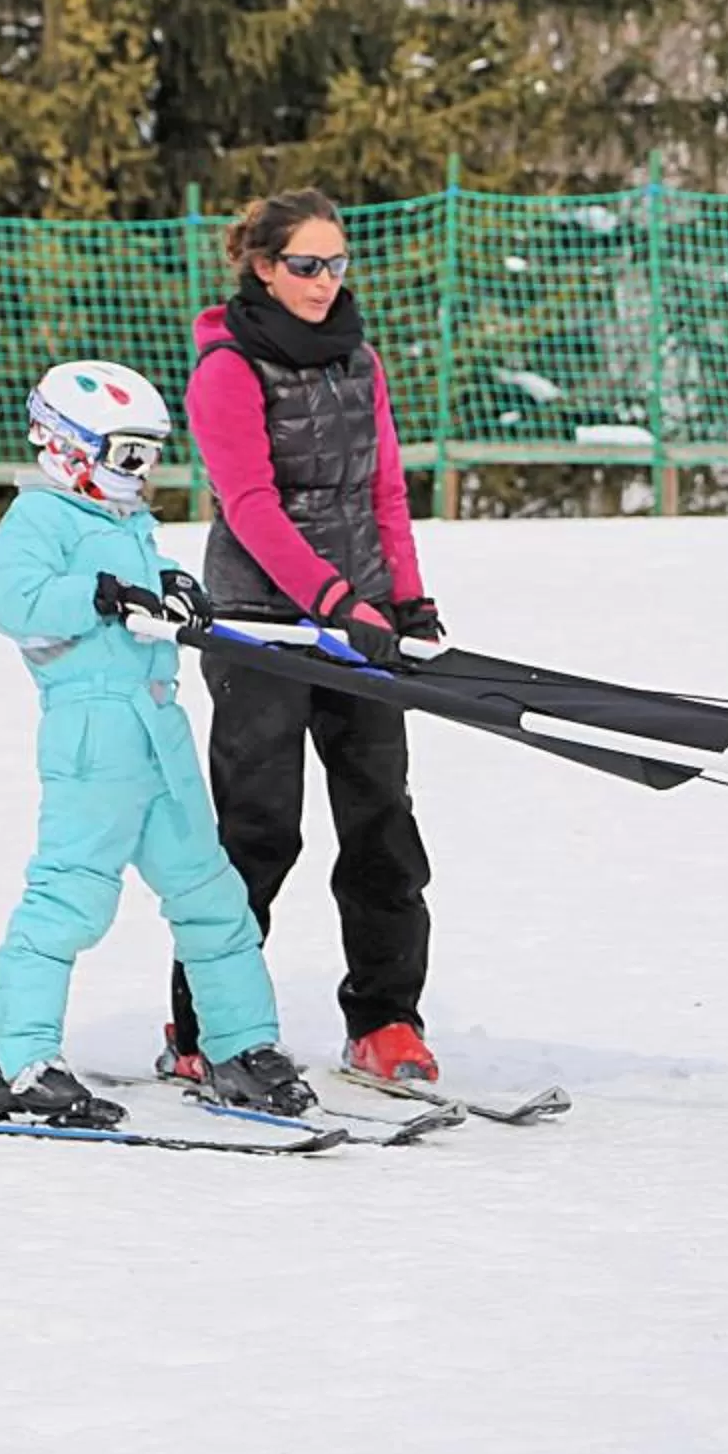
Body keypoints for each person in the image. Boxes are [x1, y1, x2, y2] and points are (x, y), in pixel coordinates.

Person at [0, 360, 316, 1126]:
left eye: (149, 456)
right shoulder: (41, 518)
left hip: (158, 729)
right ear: (66, 446)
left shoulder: (125, 523)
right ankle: (9, 1060)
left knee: (212, 897)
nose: (139, 475)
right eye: (126, 455)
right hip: (93, 730)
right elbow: (7, 595)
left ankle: (240, 1048)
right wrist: (100, 593)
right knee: (71, 898)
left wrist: (173, 583)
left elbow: (145, 577)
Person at [162, 189, 448, 1087]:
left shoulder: (360, 361)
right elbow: (249, 507)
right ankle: (205, 1030)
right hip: (261, 625)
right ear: (261, 265)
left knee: (381, 824)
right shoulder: (227, 371)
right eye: (305, 266)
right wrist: (329, 600)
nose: (324, 283)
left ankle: (386, 1023)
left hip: (358, 625)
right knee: (258, 832)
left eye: (336, 264)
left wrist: (403, 597)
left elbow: (384, 491)